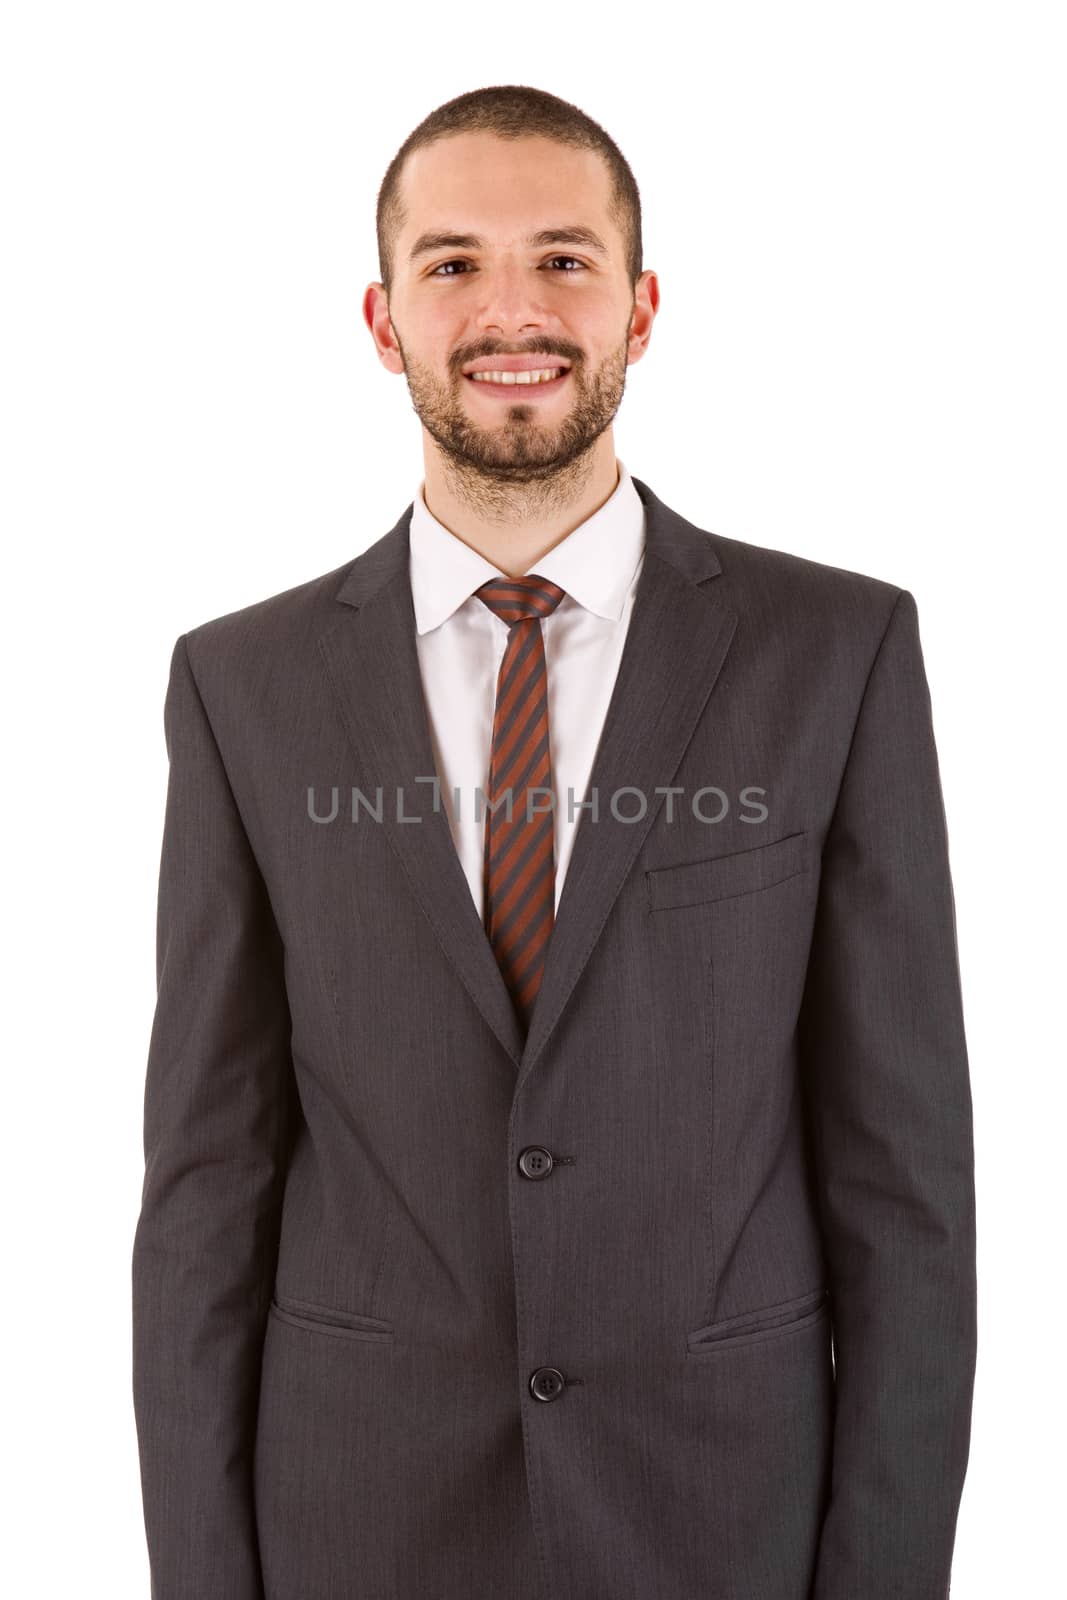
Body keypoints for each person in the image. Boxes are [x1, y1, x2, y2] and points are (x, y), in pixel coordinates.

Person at [131, 83, 977, 1600]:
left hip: (722, 1517)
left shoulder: (833, 652)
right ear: (383, 320)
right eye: (453, 263)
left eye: (564, 260)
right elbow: (207, 1181)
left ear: (642, 308)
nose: (513, 310)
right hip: (357, 1522)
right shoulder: (241, 687)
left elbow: (904, 1186)